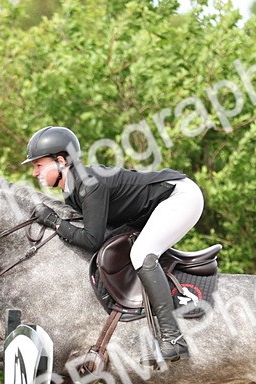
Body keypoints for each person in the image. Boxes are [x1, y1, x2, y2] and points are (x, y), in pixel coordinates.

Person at [23, 125, 203, 363]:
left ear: (60, 161)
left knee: (141, 254)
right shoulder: (73, 189)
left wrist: (55, 222)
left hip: (181, 198)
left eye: (38, 165)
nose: (35, 173)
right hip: (161, 204)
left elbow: (91, 240)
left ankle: (173, 338)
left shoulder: (89, 184)